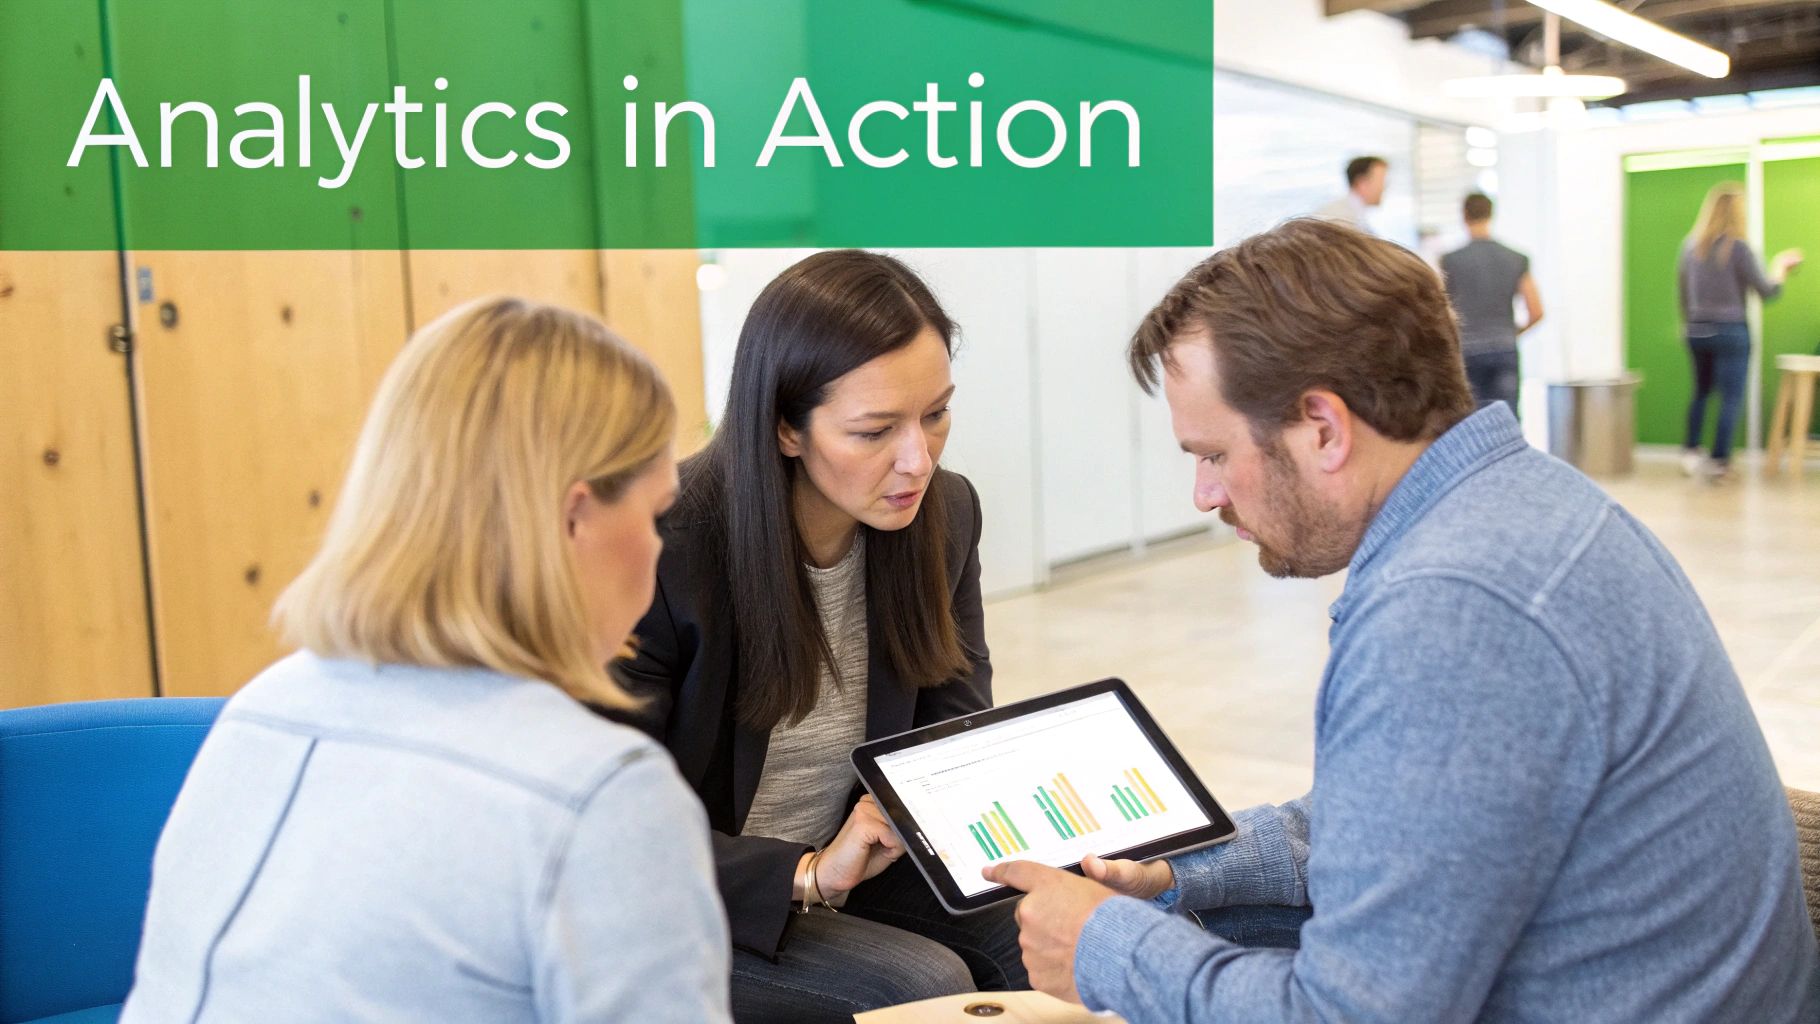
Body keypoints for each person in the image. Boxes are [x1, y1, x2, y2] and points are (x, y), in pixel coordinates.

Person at [985, 218, 1818, 1023]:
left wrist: (1102, 945)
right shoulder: (1524, 500)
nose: (1204, 495)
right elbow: (1395, 825)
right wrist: (1180, 870)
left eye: (1213, 454)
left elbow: (1347, 1013)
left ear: (1323, 429)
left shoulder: (1452, 612)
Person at [121, 298, 731, 1023]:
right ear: (574, 519)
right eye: (655, 515)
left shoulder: (262, 709)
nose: (659, 549)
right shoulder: (600, 793)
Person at [611, 250, 1025, 1023]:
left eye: (936, 414)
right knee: (922, 987)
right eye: (874, 431)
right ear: (785, 428)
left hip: (853, 869)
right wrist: (806, 874)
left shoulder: (944, 518)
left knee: (1061, 920)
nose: (918, 460)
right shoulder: (662, 550)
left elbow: (952, 724)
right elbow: (614, 824)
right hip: (689, 897)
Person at [1678, 181, 1803, 479]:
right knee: (1730, 397)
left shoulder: (1690, 247)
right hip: (1730, 331)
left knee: (1700, 392)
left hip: (1696, 331)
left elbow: (1683, 293)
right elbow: (1767, 291)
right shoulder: (1738, 248)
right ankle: (1720, 461)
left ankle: (1690, 452)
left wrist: (1690, 324)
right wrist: (1780, 268)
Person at [1442, 192, 1544, 416]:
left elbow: (1442, 311)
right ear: (1491, 214)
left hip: (1467, 352)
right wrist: (1512, 332)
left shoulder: (1450, 261)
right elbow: (1536, 311)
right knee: (1506, 419)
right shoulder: (1516, 259)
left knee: (1470, 421)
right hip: (1504, 347)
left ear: (1464, 215)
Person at [1314, 155, 1387, 234]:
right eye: (1381, 181)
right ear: (1362, 183)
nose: (1384, 188)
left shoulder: (1353, 215)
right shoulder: (1339, 219)